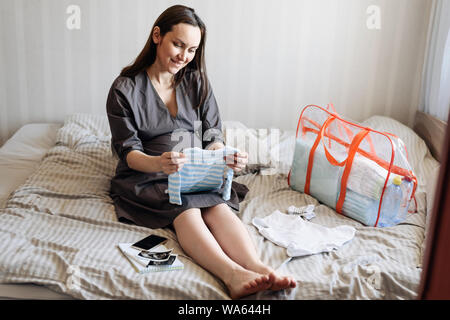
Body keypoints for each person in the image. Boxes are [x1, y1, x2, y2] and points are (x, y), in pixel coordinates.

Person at [106, 5, 296, 299]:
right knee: (187, 210)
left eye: (192, 50)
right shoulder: (125, 89)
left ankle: (258, 268)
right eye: (178, 44)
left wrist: (224, 156)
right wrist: (159, 162)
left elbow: (212, 137)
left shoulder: (197, 83)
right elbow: (128, 151)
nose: (184, 56)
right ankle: (232, 276)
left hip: (195, 169)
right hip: (148, 174)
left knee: (218, 208)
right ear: (158, 36)